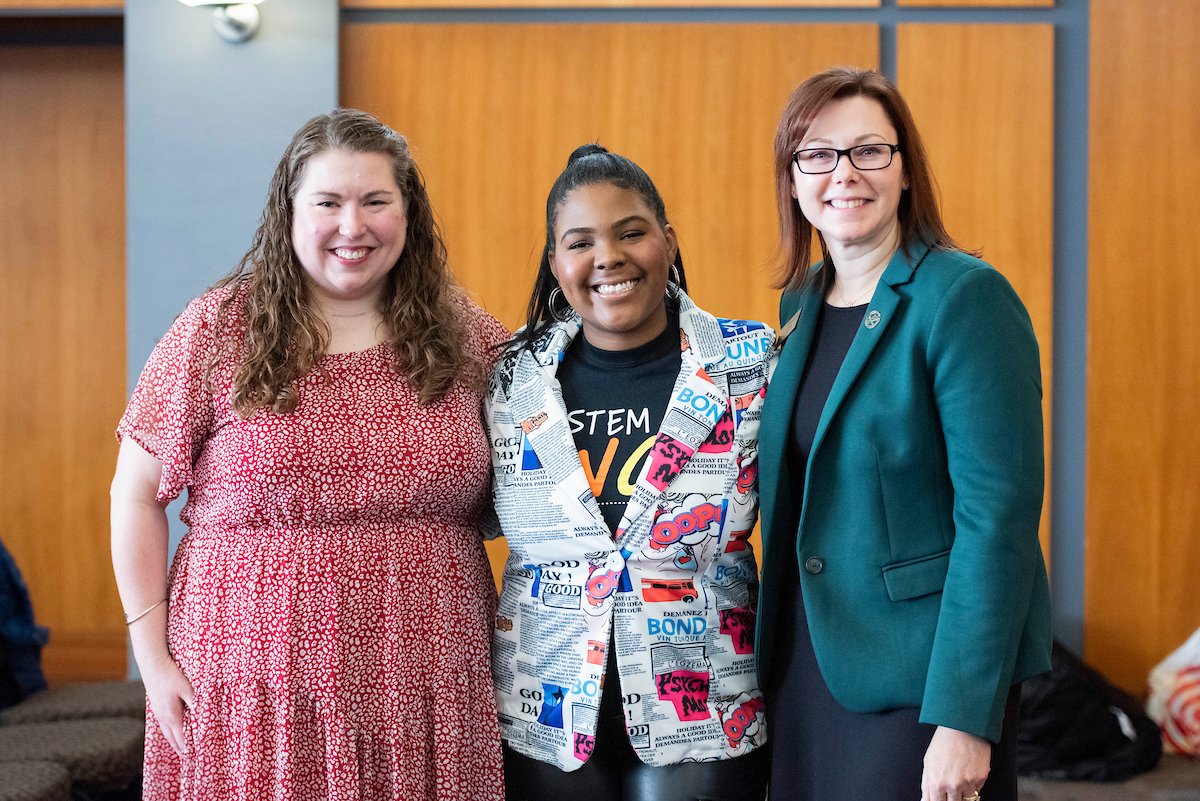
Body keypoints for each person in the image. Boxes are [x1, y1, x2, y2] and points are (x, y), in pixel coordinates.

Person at [110, 109, 507, 801]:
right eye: (328, 202)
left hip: (429, 677)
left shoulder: (467, 334)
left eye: (376, 201)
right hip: (251, 684)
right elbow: (135, 491)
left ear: (407, 214)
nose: (352, 226)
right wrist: (150, 655)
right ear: (288, 212)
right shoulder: (218, 327)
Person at [754, 67, 1052, 801]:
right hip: (803, 669)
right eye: (817, 154)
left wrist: (964, 717)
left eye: (869, 151)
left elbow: (998, 521)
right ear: (793, 180)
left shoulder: (965, 298)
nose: (843, 174)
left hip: (922, 683)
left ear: (906, 169)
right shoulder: (801, 310)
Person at [485, 145, 773, 800]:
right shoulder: (509, 379)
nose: (607, 256)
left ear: (667, 242)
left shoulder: (752, 364)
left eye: (631, 232)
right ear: (557, 263)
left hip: (705, 711)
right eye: (580, 242)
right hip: (544, 717)